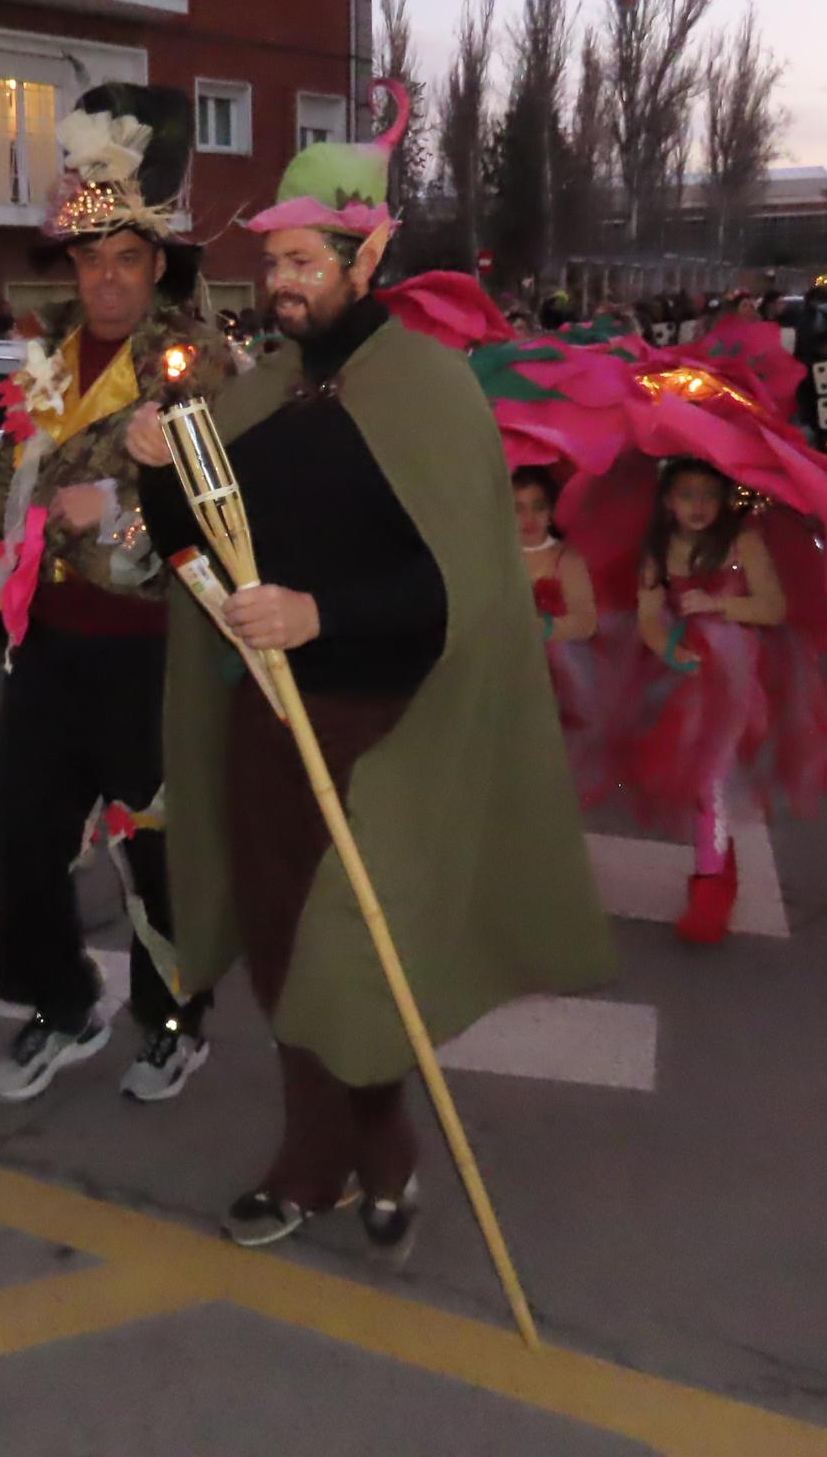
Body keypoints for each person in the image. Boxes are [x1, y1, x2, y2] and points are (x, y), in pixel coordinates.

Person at [131, 96, 612, 1251]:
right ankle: (317, 1160)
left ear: (369, 253)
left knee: (361, 954)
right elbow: (198, 545)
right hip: (271, 723)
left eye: (302, 259)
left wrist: (318, 610)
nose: (281, 282)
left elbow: (462, 588)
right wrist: (158, 468)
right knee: (286, 946)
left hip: (388, 729)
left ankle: (375, 1144)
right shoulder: (264, 387)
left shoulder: (431, 390)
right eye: (273, 261)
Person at [0, 83, 229, 1106]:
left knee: (150, 836)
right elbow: (8, 478)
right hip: (45, 641)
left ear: (154, 263)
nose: (108, 279)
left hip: (151, 641)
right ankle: (61, 1002)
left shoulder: (196, 360)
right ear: (72, 267)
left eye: (127, 259)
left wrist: (116, 511)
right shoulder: (43, 358)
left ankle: (173, 1021)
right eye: (91, 260)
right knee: (15, 820)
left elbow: (214, 501)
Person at [626, 458, 827, 946]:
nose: (698, 506)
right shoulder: (657, 552)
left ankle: (711, 884)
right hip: (686, 679)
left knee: (714, 776)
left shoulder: (744, 542)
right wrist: (668, 649)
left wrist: (718, 604)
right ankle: (716, 866)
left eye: (708, 494)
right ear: (667, 501)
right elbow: (648, 617)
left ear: (724, 499)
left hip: (741, 678)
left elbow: (773, 606)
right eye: (686, 494)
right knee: (699, 781)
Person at [513, 466, 604, 789]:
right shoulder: (497, 557)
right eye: (518, 508)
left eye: (538, 506)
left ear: (552, 510)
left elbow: (586, 619)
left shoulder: (565, 558)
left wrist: (545, 628)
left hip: (554, 664)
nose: (529, 518)